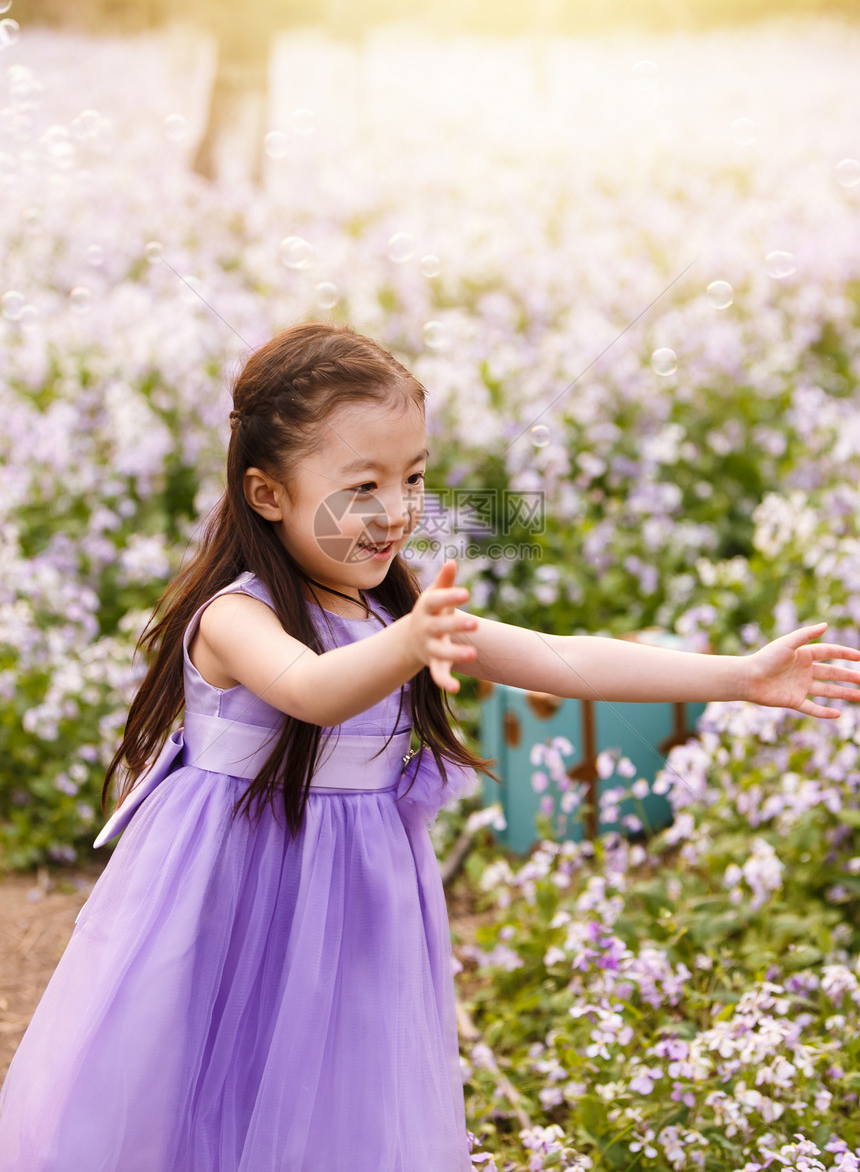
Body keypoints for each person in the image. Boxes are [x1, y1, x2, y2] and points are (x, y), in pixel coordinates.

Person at [1, 321, 859, 1172]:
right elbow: (309, 689)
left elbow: (566, 660)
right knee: (203, 1087)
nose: (398, 512)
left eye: (412, 478)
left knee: (336, 1093)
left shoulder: (391, 614)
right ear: (268, 494)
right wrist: (411, 643)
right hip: (232, 894)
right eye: (362, 486)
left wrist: (740, 676)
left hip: (357, 901)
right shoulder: (238, 615)